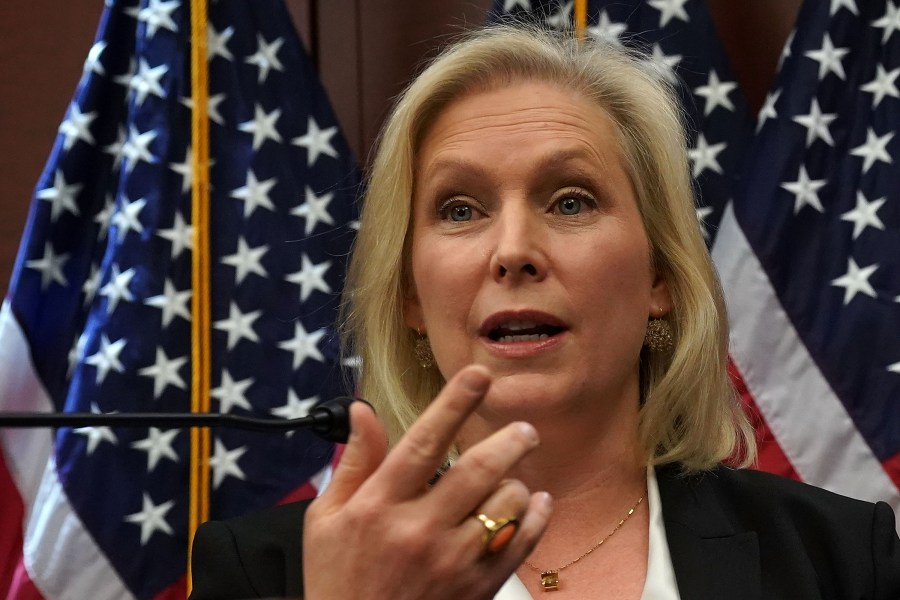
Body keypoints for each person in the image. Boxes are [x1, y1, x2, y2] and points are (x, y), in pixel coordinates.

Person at [189, 25, 900, 599]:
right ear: (409, 294)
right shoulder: (266, 575)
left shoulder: (836, 559)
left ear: (661, 275)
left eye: (570, 201)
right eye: (460, 209)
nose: (513, 252)